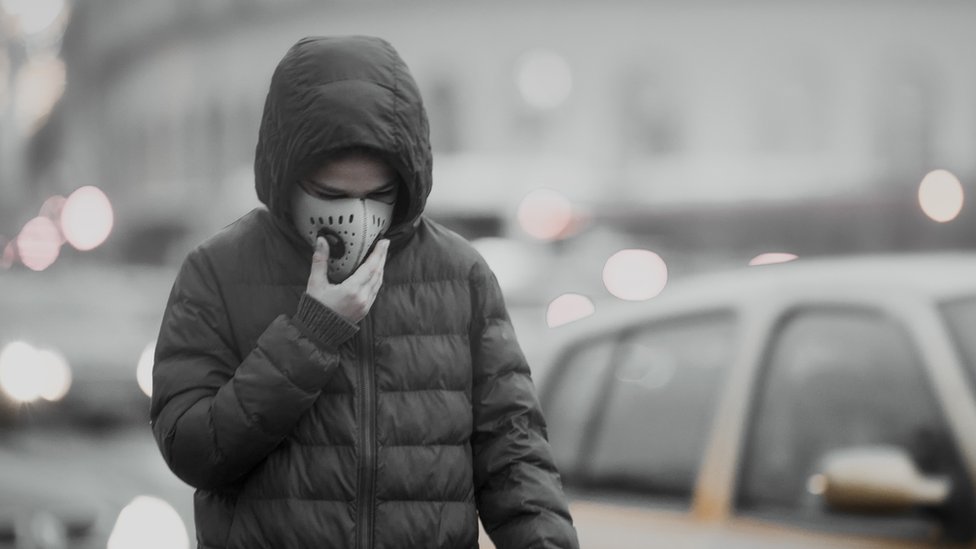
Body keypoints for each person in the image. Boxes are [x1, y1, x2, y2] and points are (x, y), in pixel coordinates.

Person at [149, 35, 579, 549]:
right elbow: (192, 450)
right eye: (331, 195)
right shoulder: (217, 271)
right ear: (286, 178)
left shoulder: (460, 274)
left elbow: (514, 456)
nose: (356, 215)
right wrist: (311, 334)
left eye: (378, 195)